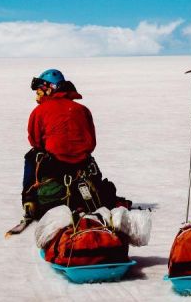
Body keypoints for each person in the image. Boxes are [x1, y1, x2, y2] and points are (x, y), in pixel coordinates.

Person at [21, 69, 129, 221]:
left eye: (40, 90)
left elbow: (35, 141)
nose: (38, 95)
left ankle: (29, 200)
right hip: (82, 166)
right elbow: (91, 142)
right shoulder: (83, 110)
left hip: (54, 166)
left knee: (31, 156)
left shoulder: (39, 111)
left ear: (50, 88)